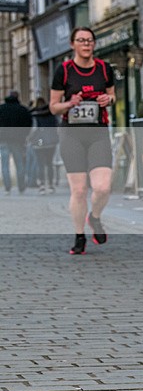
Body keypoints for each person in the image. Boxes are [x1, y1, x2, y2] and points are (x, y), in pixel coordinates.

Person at [49, 27, 116, 254]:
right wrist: (69, 103)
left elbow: (113, 95)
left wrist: (109, 99)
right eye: (81, 40)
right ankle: (79, 237)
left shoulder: (104, 69)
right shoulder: (64, 71)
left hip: (98, 133)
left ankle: (94, 217)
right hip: (72, 135)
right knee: (79, 191)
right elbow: (53, 106)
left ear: (94, 44)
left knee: (103, 187)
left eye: (89, 40)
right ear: (72, 44)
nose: (86, 44)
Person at [0, 92, 32, 194]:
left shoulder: (1, 109)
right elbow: (28, 123)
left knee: (5, 164)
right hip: (18, 140)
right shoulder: (22, 109)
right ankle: (21, 186)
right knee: (19, 163)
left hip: (3, 139)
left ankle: (7, 187)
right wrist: (24, 135)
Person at [28, 97, 59, 194]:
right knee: (49, 163)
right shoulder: (52, 115)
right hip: (51, 142)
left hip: (39, 142)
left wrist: (29, 139)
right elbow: (57, 127)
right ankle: (50, 185)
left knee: (40, 163)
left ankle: (41, 184)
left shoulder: (34, 115)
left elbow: (34, 129)